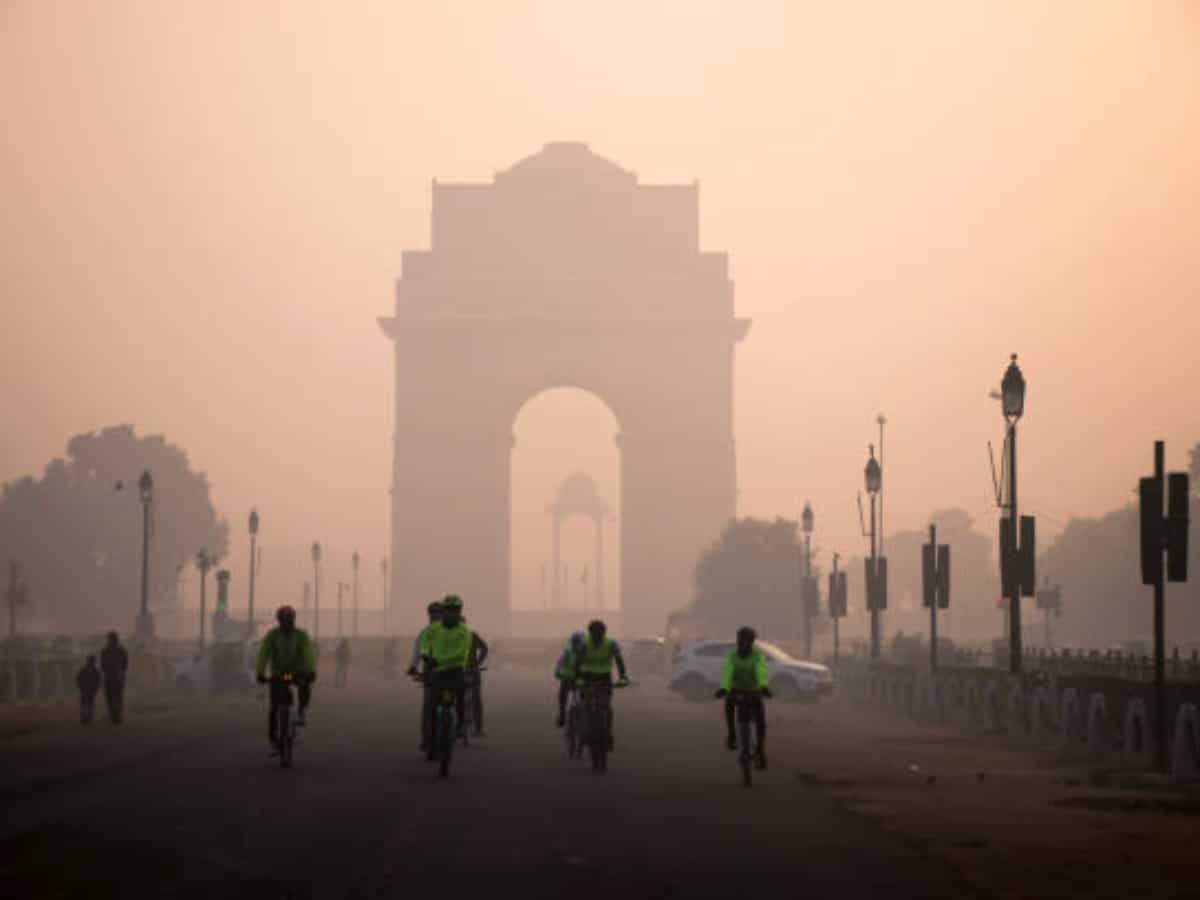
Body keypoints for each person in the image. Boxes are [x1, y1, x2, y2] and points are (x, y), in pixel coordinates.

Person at [255, 605, 317, 755]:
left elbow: (307, 653)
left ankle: (301, 710)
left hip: (297, 672)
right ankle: (273, 739)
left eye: (289, 620)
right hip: (278, 674)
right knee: (274, 707)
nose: (287, 623)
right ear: (279, 621)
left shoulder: (301, 635)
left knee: (304, 685)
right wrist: (260, 672)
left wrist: (310, 671)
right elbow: (264, 654)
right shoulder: (272, 635)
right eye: (284, 620)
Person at [714, 626, 771, 769]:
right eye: (740, 640)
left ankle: (760, 749)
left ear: (751, 642)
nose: (742, 643)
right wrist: (723, 688)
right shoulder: (732, 657)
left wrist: (764, 687)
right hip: (736, 690)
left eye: (746, 640)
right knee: (729, 703)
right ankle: (732, 734)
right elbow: (727, 674)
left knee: (760, 720)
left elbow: (761, 673)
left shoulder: (758, 657)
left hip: (753, 691)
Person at [418, 594, 473, 741]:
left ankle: (461, 724)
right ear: (444, 611)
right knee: (431, 703)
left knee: (461, 696)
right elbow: (424, 641)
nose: (451, 613)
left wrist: (439, 660)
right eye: (449, 610)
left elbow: (462, 652)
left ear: (459, 612)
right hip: (438, 671)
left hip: (455, 670)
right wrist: (424, 654)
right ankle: (430, 737)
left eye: (455, 610)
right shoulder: (434, 629)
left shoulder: (464, 631)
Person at [573, 620, 629, 750]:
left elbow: (619, 660)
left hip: (604, 678)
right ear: (590, 633)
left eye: (599, 634)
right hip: (587, 677)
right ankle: (584, 731)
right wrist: (577, 678)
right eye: (594, 634)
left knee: (606, 707)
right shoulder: (584, 644)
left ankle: (608, 733)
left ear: (604, 633)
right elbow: (577, 662)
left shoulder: (611, 644)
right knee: (586, 705)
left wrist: (623, 677)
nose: (597, 636)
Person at [408, 600, 444, 750]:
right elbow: (417, 653)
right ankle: (426, 738)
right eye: (432, 615)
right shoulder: (424, 633)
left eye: (437, 614)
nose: (434, 617)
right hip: (430, 673)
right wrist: (413, 667)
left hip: (448, 672)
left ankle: (455, 728)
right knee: (428, 706)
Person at [461, 616, 490, 737]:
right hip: (470, 670)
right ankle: (478, 728)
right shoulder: (471, 635)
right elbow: (484, 649)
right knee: (475, 699)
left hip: (468, 671)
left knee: (475, 698)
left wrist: (478, 663)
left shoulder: (471, 635)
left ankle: (478, 728)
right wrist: (478, 663)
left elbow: (484, 649)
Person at [554, 631, 585, 727]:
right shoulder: (568, 651)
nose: (576, 644)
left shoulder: (586, 651)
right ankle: (562, 714)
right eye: (574, 642)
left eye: (577, 642)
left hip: (580, 678)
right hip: (569, 678)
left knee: (586, 695)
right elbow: (560, 661)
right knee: (563, 694)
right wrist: (557, 671)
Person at [99, 631, 128, 725]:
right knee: (118, 697)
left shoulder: (105, 651)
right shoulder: (122, 651)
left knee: (110, 698)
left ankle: (114, 716)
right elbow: (125, 665)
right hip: (119, 677)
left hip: (109, 677)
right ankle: (117, 716)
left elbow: (102, 666)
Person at [76, 655, 101, 725]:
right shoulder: (94, 671)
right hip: (87, 690)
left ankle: (86, 718)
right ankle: (87, 718)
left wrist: (81, 688)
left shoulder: (84, 670)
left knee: (87, 704)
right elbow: (98, 681)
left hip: (88, 690)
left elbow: (79, 679)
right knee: (88, 704)